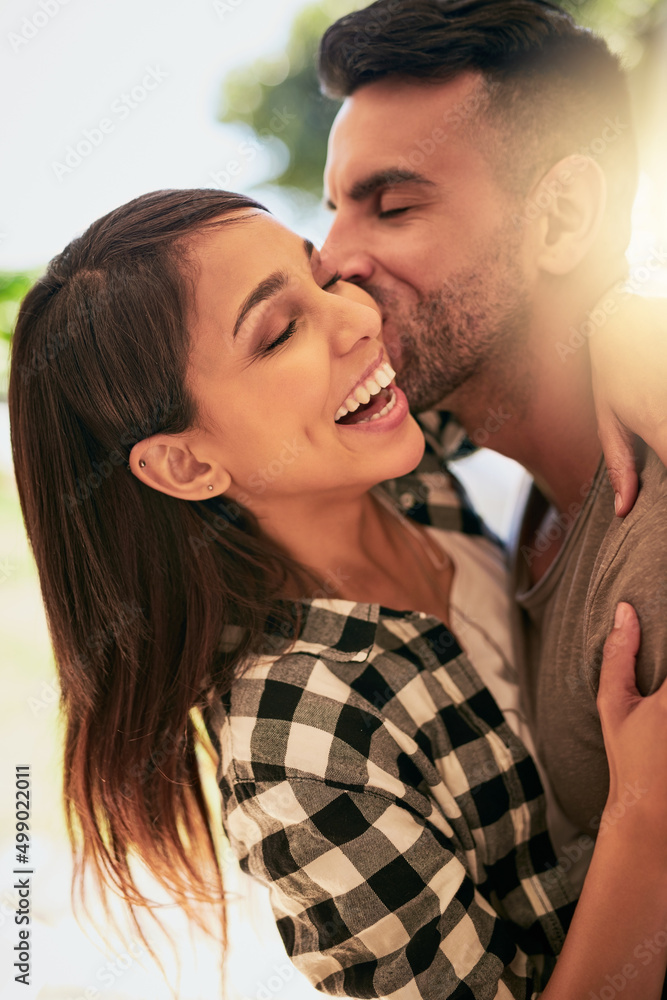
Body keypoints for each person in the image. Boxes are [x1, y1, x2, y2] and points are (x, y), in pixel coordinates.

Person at [8, 188, 667, 999]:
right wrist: (644, 817)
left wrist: (623, 328)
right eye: (282, 331)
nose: (356, 317)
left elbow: (529, 347)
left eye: (321, 277)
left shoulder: (395, 460)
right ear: (184, 464)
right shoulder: (299, 748)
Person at [317, 0, 667, 852]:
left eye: (393, 206)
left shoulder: (651, 562)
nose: (330, 258)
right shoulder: (478, 484)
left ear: (561, 217)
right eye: (332, 209)